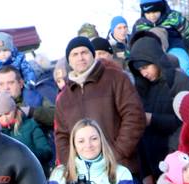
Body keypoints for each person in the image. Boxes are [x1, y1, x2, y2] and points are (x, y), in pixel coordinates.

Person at [55, 37, 145, 176]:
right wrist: (73, 167)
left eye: (84, 52)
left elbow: (134, 117)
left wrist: (117, 153)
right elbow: (62, 136)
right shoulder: (64, 97)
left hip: (121, 169)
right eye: (75, 54)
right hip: (85, 175)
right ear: (69, 61)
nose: (80, 58)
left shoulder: (116, 78)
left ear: (92, 54)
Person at [127, 34, 189, 184]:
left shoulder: (180, 82)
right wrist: (146, 172)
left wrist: (153, 119)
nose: (143, 73)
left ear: (156, 60)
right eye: (139, 70)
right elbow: (139, 136)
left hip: (184, 163)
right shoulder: (141, 90)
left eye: (146, 67)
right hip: (157, 168)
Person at [0, 92, 52, 175]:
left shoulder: (30, 125)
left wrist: (29, 155)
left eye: (7, 113)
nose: (4, 118)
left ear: (15, 110)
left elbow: (47, 152)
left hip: (34, 173)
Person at [0, 66, 55, 133]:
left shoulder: (36, 97)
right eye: (1, 84)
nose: (6, 88)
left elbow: (57, 116)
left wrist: (31, 111)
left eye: (10, 83)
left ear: (21, 83)